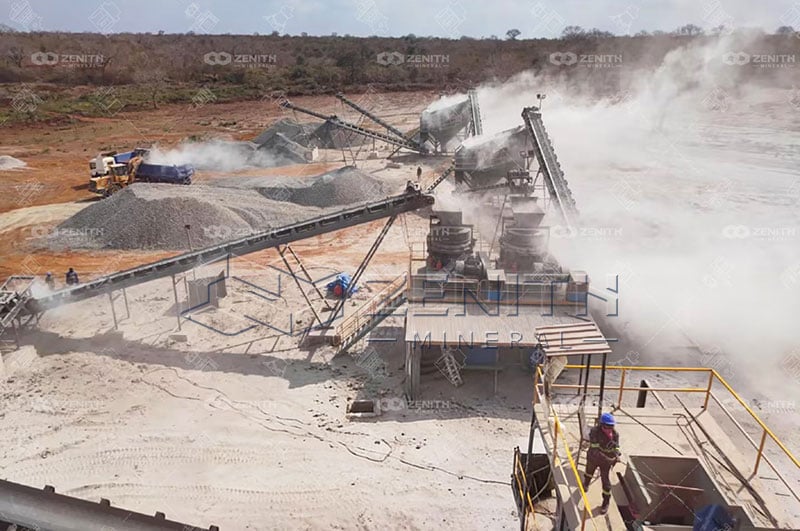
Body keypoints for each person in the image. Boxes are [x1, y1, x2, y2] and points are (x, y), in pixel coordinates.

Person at [584, 412, 620, 515]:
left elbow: (616, 446)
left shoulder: (615, 434)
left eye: (611, 426)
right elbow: (595, 450)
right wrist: (608, 459)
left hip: (606, 462)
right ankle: (586, 483)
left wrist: (616, 454)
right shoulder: (594, 432)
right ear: (602, 425)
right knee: (589, 472)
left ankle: (606, 501)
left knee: (606, 482)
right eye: (607, 426)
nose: (609, 429)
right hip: (594, 458)